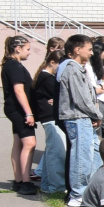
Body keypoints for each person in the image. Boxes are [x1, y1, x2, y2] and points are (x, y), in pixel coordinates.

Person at [56, 34, 102, 206]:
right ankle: (78, 194)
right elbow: (80, 99)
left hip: (84, 117)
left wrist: (93, 115)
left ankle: (90, 190)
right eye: (89, 49)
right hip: (77, 118)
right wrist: (96, 114)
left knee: (94, 153)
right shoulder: (72, 69)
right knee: (81, 157)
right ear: (77, 50)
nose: (91, 53)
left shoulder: (78, 68)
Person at [0, 36, 38, 195]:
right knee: (30, 143)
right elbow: (19, 91)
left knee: (18, 143)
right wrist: (29, 113)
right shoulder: (14, 66)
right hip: (18, 110)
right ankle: (25, 182)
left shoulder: (10, 64)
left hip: (13, 108)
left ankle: (18, 181)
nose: (29, 52)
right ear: (18, 49)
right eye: (27, 49)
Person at [32, 42, 68, 195]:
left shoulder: (46, 77)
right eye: (59, 66)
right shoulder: (47, 78)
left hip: (50, 118)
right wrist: (60, 99)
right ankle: (56, 187)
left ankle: (47, 185)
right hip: (50, 118)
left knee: (52, 152)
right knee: (56, 153)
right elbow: (62, 93)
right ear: (52, 62)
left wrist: (59, 99)